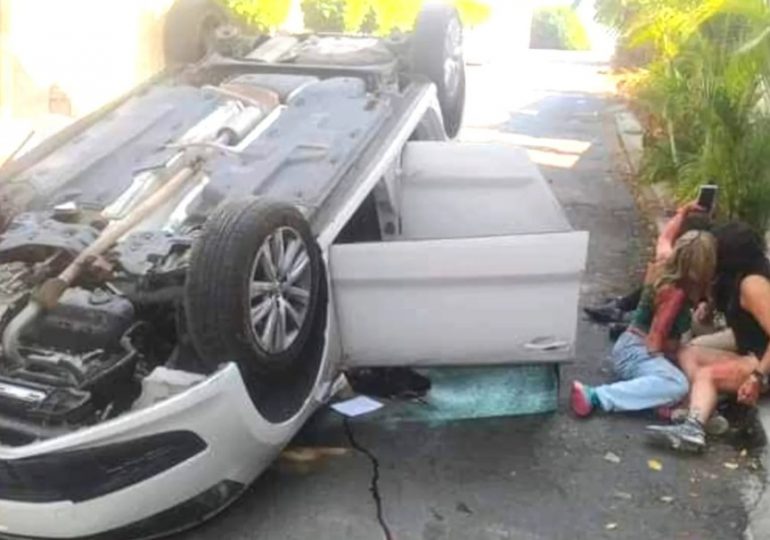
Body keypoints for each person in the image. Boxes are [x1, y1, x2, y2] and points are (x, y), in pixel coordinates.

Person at [647, 222, 770, 451]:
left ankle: (692, 429)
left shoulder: (753, 285)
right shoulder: (731, 277)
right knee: (687, 351)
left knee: (707, 374)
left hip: (764, 361)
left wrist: (757, 376)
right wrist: (708, 305)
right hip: (749, 344)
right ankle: (703, 406)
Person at [571, 230, 717, 417]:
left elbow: (664, 238)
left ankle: (658, 401)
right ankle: (596, 396)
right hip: (637, 351)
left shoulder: (665, 264)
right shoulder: (675, 294)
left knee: (689, 367)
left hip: (630, 345)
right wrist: (674, 357)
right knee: (677, 384)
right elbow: (654, 343)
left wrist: (684, 212)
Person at [584, 204, 712, 330]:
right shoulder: (712, 270)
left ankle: (625, 314)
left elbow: (665, 238)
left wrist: (683, 212)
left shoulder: (670, 261)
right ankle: (623, 309)